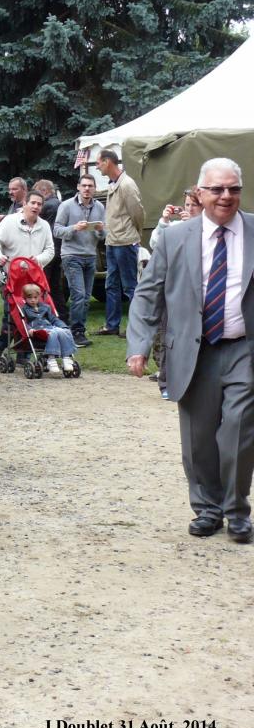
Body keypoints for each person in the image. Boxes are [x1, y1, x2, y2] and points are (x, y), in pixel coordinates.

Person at [127, 157, 253, 544]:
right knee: (198, 439)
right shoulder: (175, 237)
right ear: (199, 192)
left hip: (243, 348)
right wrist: (139, 345)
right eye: (217, 189)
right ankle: (207, 509)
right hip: (194, 351)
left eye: (233, 188)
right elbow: (149, 294)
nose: (226, 196)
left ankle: (236, 512)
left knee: (238, 428)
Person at [145, 189, 203, 399]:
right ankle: (165, 381)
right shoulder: (175, 228)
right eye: (186, 205)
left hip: (196, 294)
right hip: (172, 291)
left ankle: (191, 380)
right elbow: (154, 244)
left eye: (193, 205)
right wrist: (164, 220)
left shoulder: (209, 229)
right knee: (168, 335)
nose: (188, 209)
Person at [0, 190, 54, 362]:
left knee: (31, 313)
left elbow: (50, 250)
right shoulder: (10, 222)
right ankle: (0, 346)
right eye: (33, 203)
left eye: (39, 204)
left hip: (33, 280)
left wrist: (38, 260)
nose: (36, 207)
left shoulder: (44, 226)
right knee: (11, 315)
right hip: (10, 276)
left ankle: (23, 353)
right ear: (25, 203)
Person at [95, 150, 144, 336]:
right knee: (111, 285)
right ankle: (112, 325)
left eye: (99, 163)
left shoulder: (127, 184)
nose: (98, 167)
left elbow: (137, 213)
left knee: (131, 286)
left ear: (108, 162)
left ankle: (136, 327)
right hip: (113, 241)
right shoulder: (114, 184)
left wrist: (134, 234)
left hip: (125, 242)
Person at [53, 175, 106, 348]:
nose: (87, 189)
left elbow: (104, 235)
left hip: (90, 255)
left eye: (90, 186)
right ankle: (76, 331)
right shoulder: (66, 205)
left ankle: (78, 331)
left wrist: (99, 230)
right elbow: (57, 230)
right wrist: (74, 228)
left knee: (85, 298)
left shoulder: (99, 207)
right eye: (84, 185)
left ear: (95, 188)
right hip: (71, 255)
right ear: (78, 187)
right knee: (79, 295)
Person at [20, 283, 77, 376]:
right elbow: (23, 323)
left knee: (64, 331)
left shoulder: (45, 307)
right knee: (53, 333)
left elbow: (54, 319)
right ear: (25, 298)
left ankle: (66, 357)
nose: (33, 300)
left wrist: (63, 326)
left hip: (49, 327)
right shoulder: (24, 309)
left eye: (35, 297)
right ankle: (51, 358)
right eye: (30, 298)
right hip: (37, 329)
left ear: (39, 297)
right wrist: (29, 329)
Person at [34, 179, 67, 321]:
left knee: (43, 285)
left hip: (49, 250)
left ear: (44, 191)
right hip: (59, 249)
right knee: (55, 286)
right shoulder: (59, 204)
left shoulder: (47, 206)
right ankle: (63, 316)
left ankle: (45, 316)